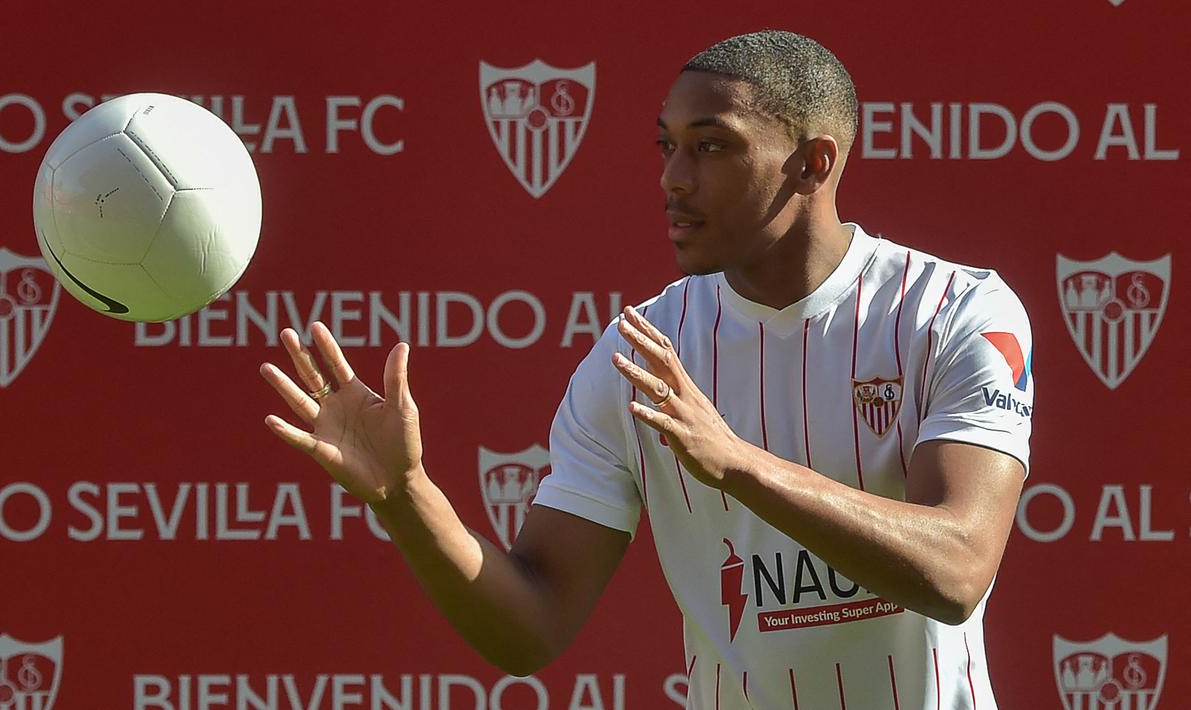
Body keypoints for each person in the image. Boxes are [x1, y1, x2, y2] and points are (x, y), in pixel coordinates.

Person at [260, 30, 1032, 709]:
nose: (672, 177)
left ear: (812, 164)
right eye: (666, 145)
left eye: (712, 144)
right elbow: (529, 629)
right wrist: (406, 498)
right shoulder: (637, 354)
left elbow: (958, 571)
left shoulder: (953, 312)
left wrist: (736, 465)